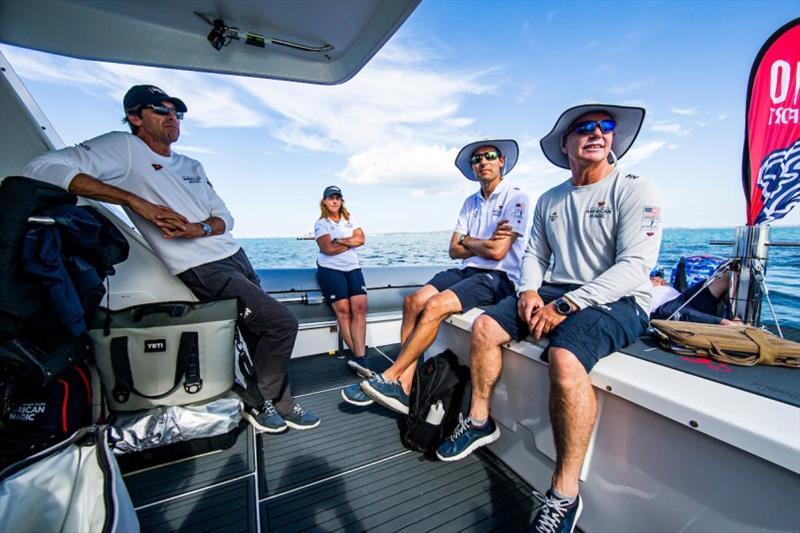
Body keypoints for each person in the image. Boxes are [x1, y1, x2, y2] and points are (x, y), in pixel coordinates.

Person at [22, 84, 319, 434]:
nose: (172, 118)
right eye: (160, 110)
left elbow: (224, 217)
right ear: (135, 117)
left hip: (234, 255)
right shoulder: (125, 148)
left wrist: (200, 229)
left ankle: (279, 402)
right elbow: (40, 167)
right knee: (282, 322)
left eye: (176, 112)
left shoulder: (191, 164)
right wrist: (133, 201)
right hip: (202, 269)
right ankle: (259, 401)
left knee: (260, 330)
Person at [439, 104, 661, 533]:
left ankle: (564, 492)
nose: (596, 133)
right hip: (558, 289)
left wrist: (565, 306)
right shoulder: (552, 198)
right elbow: (536, 255)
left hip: (621, 298)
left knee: (564, 358)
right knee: (486, 326)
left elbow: (635, 266)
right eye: (584, 128)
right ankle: (480, 421)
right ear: (565, 144)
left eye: (606, 127)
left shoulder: (635, 189)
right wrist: (528, 291)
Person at [341, 139, 531, 412]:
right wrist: (480, 243)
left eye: (489, 156)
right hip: (468, 270)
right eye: (477, 160)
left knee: (435, 305)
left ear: (501, 161)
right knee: (413, 301)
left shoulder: (516, 196)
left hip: (499, 277)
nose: (483, 162)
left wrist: (469, 240)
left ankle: (390, 375)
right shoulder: (470, 202)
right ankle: (404, 384)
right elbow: (454, 250)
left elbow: (498, 251)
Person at [314, 185, 371, 376]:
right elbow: (327, 249)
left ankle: (360, 358)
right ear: (324, 201)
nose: (334, 200)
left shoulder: (350, 218)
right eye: (331, 197)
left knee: (360, 308)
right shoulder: (321, 223)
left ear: (341, 201)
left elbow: (361, 239)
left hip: (352, 268)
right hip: (330, 270)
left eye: (338, 197)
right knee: (344, 312)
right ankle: (358, 357)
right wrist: (350, 241)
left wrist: (339, 240)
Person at [649, 267, 738, 325]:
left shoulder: (654, 280)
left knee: (728, 275)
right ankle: (731, 324)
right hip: (665, 308)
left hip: (683, 297)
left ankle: (735, 316)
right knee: (724, 323)